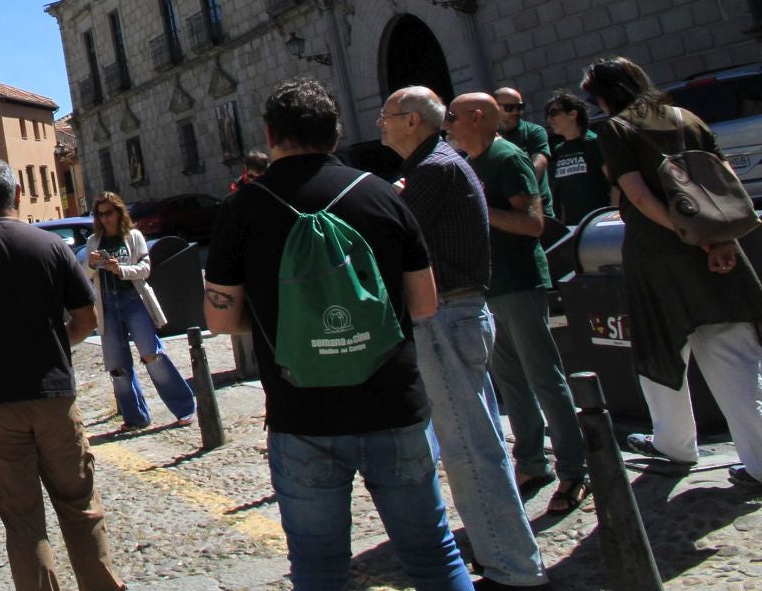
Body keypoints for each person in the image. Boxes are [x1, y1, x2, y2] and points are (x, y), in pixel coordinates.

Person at [205, 77, 469, 591]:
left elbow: (221, 318)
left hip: (301, 412)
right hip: (394, 403)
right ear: (335, 133)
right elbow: (424, 303)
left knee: (318, 566)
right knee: (434, 555)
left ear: (269, 134)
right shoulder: (384, 194)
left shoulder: (241, 210)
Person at [0, 160, 124, 591]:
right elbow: (87, 317)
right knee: (80, 506)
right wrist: (56, 347)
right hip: (54, 394)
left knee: (22, 522)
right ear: (18, 194)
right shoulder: (50, 245)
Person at [381, 87, 546, 590]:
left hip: (447, 316)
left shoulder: (434, 169)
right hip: (456, 314)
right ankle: (506, 555)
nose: (381, 124)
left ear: (412, 121)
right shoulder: (440, 163)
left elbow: (391, 235)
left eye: (387, 116)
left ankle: (513, 571)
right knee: (474, 443)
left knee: (471, 450)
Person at [583, 56, 762, 485]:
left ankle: (674, 443)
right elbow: (723, 182)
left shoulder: (615, 128)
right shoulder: (688, 117)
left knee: (660, 349)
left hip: (658, 253)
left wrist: (691, 237)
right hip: (717, 247)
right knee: (735, 356)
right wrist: (717, 239)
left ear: (606, 94)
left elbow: (639, 197)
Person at [448, 92, 588, 517]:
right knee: (510, 383)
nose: (448, 124)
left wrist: (478, 210)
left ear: (475, 118)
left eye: (453, 117)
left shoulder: (507, 158)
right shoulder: (470, 163)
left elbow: (532, 223)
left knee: (544, 377)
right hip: (490, 288)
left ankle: (574, 469)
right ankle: (531, 462)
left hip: (520, 284)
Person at [84, 191, 194, 428]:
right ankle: (135, 417)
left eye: (109, 213)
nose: (105, 219)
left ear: (118, 212)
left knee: (152, 355)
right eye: (100, 214)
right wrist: (92, 264)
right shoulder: (94, 241)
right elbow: (85, 276)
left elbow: (145, 268)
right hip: (107, 304)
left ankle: (184, 407)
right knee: (117, 365)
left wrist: (120, 269)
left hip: (133, 300)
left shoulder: (133, 236)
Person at [542, 91, 614, 227]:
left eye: (554, 113)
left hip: (600, 222)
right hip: (573, 226)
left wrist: (613, 218)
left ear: (573, 114)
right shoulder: (559, 150)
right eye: (547, 115)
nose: (549, 120)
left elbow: (616, 184)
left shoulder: (594, 143)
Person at [494, 87, 552, 184]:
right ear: (495, 108)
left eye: (519, 107)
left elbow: (538, 167)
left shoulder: (534, 132)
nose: (516, 112)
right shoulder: (489, 136)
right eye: (509, 108)